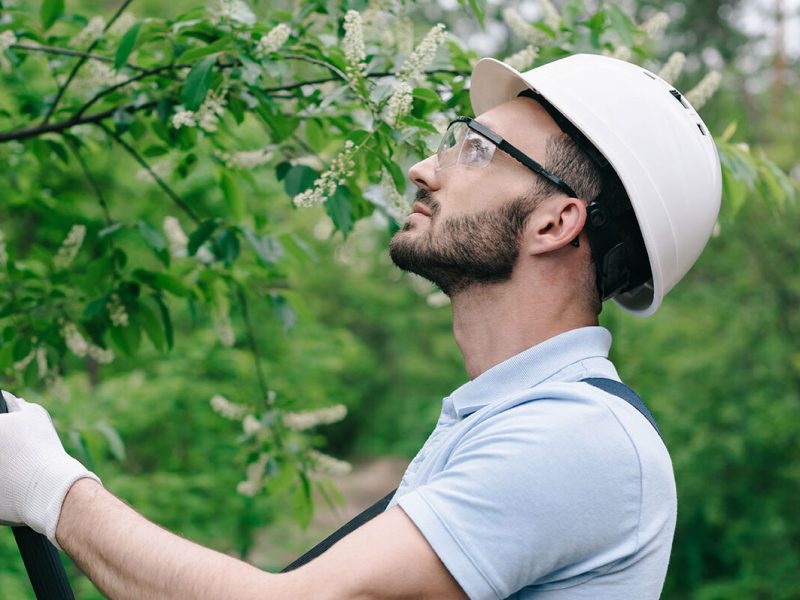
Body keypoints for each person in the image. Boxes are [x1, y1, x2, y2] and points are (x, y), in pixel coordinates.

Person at [0, 53, 720, 599]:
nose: (422, 168)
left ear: (555, 221)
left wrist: (51, 489)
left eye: (475, 150)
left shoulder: (577, 439)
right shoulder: (504, 422)